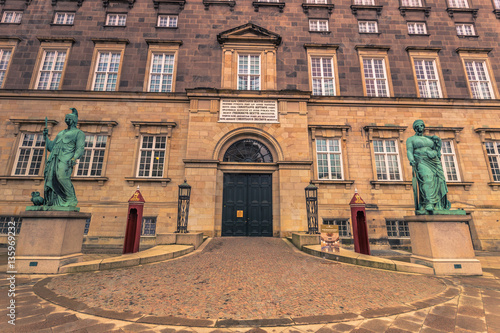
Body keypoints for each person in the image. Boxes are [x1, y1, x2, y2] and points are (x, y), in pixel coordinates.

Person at [42, 108, 85, 208]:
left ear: (74, 120)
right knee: (51, 177)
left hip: (66, 158)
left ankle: (70, 198)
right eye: (66, 119)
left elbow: (80, 148)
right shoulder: (61, 133)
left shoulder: (79, 133)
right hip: (54, 158)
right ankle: (54, 201)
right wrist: (46, 137)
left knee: (61, 176)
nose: (67, 121)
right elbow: (51, 147)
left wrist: (74, 158)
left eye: (69, 119)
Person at [406, 120, 451, 214]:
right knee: (427, 178)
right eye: (418, 126)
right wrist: (411, 159)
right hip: (421, 160)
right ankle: (428, 202)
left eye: (422, 125)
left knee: (439, 180)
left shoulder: (429, 139)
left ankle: (438, 205)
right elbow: (409, 151)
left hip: (434, 162)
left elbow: (436, 149)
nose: (420, 127)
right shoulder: (411, 139)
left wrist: (434, 152)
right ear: (415, 128)